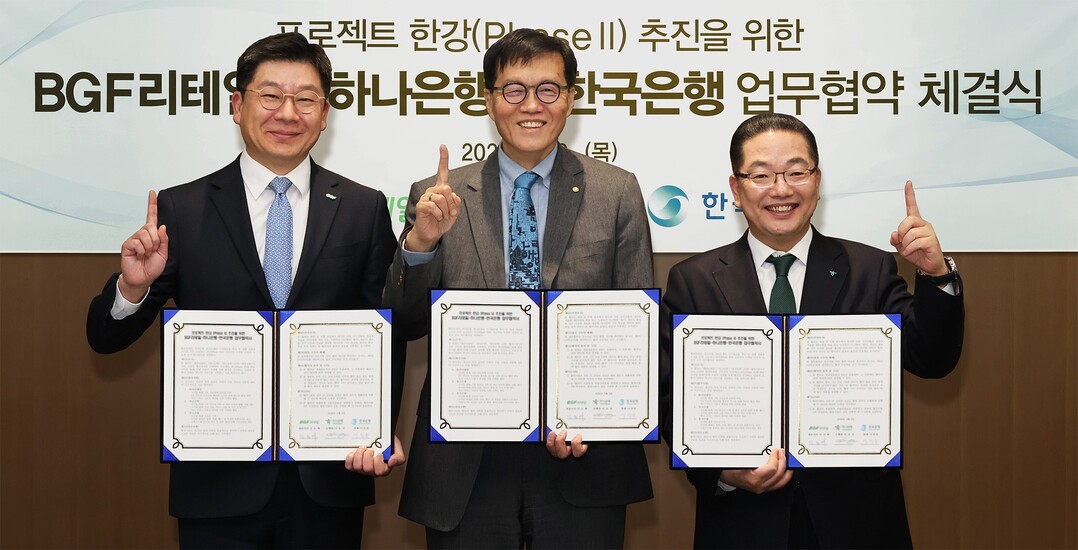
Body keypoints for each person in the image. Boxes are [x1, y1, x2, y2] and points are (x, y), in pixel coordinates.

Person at [86, 32, 404, 548]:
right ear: (237, 105)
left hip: (328, 481)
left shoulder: (363, 209)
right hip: (217, 484)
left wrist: (379, 428)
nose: (288, 113)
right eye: (270, 95)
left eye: (305, 99)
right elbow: (105, 338)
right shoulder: (183, 209)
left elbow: (384, 331)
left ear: (325, 114)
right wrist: (132, 288)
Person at [384, 28, 654, 549]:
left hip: (580, 448)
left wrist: (599, 417)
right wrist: (422, 243)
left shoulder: (616, 191)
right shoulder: (438, 196)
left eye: (548, 89)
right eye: (513, 90)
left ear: (570, 99)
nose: (531, 105)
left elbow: (635, 331)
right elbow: (406, 322)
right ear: (489, 100)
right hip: (465, 456)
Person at [659, 112, 964, 549]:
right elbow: (670, 395)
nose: (781, 189)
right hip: (743, 522)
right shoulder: (694, 280)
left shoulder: (870, 269)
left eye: (796, 172)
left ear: (817, 181)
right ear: (736, 189)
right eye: (761, 175)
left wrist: (936, 277)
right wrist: (720, 472)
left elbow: (931, 359)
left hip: (856, 521)